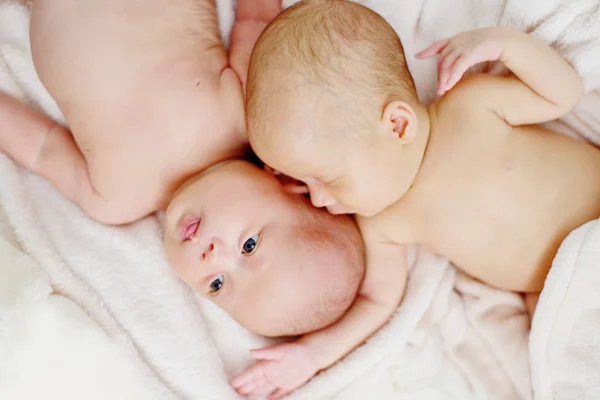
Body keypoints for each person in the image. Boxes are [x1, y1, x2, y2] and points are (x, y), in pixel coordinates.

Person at [237, 0, 600, 397]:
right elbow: (377, 301)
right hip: (564, 289)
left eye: (325, 179)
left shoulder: (471, 107)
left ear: (396, 124)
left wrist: (506, 45)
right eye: (305, 183)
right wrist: (313, 356)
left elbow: (564, 93)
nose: (319, 199)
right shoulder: (382, 221)